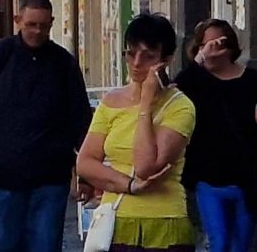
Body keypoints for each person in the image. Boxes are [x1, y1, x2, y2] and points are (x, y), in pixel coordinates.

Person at [0, 0, 91, 252]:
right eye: (31, 24)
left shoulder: (63, 63)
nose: (37, 31)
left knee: (46, 245)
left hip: (50, 176)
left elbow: (80, 118)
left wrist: (85, 172)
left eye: (43, 26)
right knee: (3, 245)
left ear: (51, 23)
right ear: (18, 20)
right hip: (3, 175)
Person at [76, 15, 196, 252]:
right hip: (115, 220)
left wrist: (145, 104)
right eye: (130, 54)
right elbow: (85, 162)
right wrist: (129, 185)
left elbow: (145, 166)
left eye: (148, 56)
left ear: (166, 60)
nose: (136, 63)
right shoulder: (111, 101)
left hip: (163, 221)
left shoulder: (180, 107)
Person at [170, 19, 257, 252]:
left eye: (218, 43)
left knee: (239, 246)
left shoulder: (252, 81)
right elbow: (174, 92)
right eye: (206, 44)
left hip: (247, 181)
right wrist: (200, 59)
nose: (213, 49)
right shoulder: (195, 81)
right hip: (208, 180)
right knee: (219, 243)